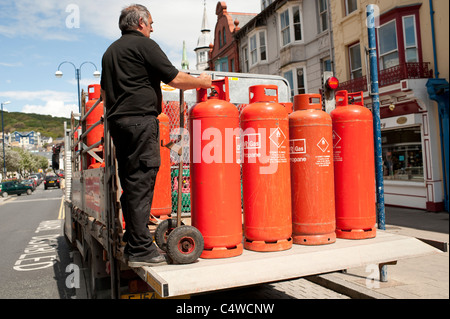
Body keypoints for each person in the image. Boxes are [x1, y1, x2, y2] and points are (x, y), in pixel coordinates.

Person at [100, 4, 212, 267]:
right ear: (140, 23)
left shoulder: (110, 52)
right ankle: (140, 250)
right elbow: (174, 79)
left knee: (130, 182)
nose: (152, 28)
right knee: (142, 179)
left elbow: (105, 95)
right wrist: (202, 82)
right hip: (140, 121)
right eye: (151, 23)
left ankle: (133, 240)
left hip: (118, 122)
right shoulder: (145, 45)